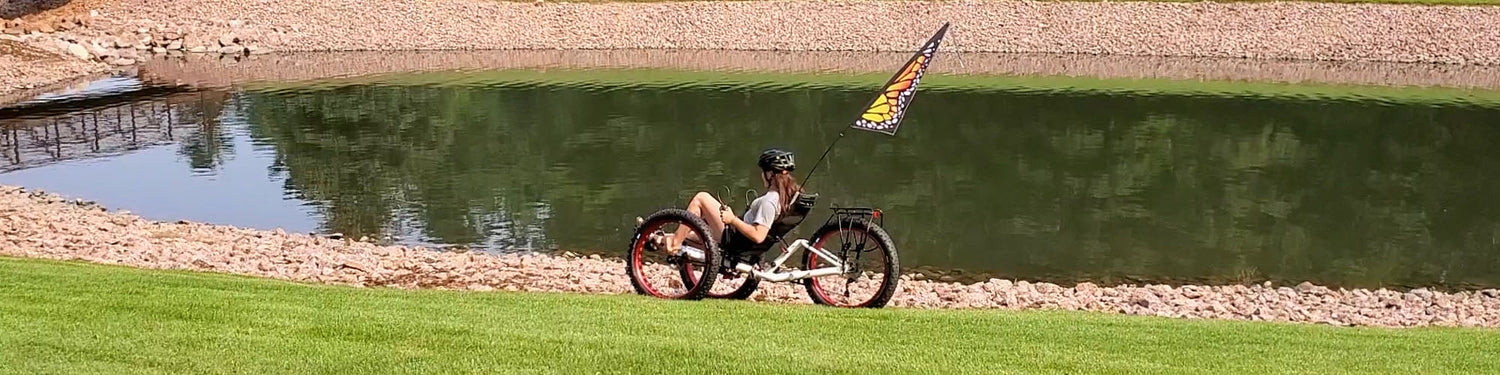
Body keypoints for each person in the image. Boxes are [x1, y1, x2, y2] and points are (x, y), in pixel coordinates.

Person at [654, 148, 802, 255]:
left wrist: (732, 220)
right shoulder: (785, 198)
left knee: (701, 198)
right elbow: (771, 227)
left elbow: (758, 236)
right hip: (740, 239)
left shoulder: (770, 201)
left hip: (734, 238)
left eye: (763, 172)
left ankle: (674, 245)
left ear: (770, 174)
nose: (762, 176)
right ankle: (657, 239)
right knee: (690, 234)